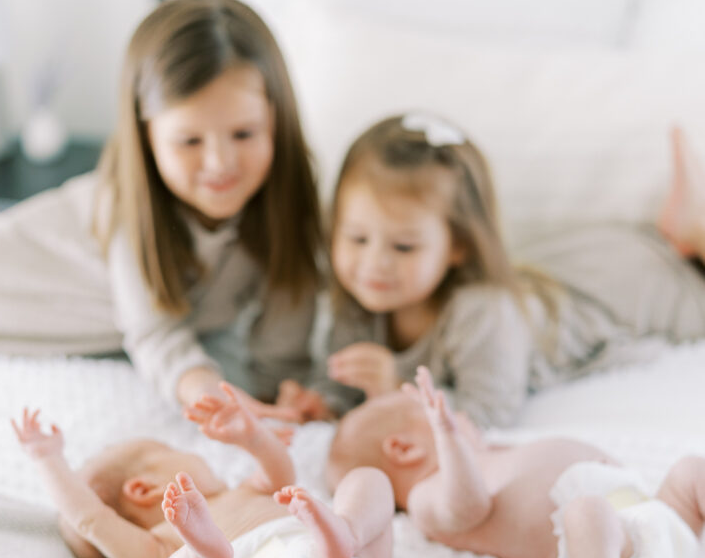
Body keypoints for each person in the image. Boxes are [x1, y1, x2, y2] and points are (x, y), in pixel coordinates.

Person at [0, 0, 323, 411]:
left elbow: (285, 342)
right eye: (189, 141)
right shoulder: (128, 205)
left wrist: (287, 396)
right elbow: (158, 337)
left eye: (244, 134)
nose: (221, 163)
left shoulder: (289, 200)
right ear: (147, 139)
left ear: (277, 120)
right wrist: (213, 397)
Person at [279, 114, 705, 428]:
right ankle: (678, 230)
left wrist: (396, 391)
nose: (373, 263)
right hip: (568, 268)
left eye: (404, 246)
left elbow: (489, 413)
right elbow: (344, 379)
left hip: (627, 289)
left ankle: (686, 233)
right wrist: (320, 401)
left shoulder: (482, 313)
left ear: (459, 245)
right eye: (355, 238)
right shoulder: (361, 299)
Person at [327, 365, 705, 558]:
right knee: (585, 512)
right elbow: (467, 507)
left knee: (692, 470)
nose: (463, 420)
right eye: (451, 416)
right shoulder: (428, 497)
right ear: (404, 449)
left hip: (662, 521)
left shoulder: (493, 450)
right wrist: (450, 438)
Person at [10, 384, 395, 558]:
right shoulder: (158, 544)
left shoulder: (241, 491)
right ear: (143, 489)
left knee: (367, 480)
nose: (196, 453)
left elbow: (280, 474)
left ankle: (347, 531)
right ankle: (202, 557)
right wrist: (48, 460)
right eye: (173, 452)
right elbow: (90, 519)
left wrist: (254, 437)